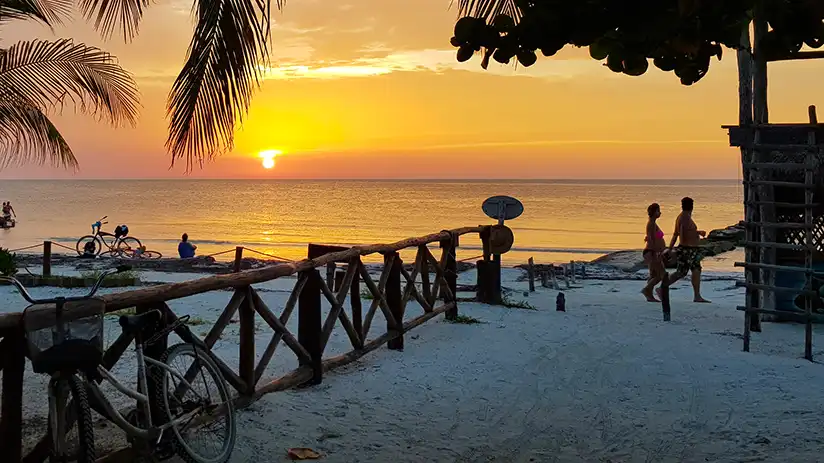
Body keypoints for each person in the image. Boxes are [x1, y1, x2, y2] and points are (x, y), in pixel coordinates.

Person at [664, 197, 710, 303]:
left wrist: (698, 233)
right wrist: (675, 250)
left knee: (691, 270)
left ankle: (697, 296)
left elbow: (678, 233)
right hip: (688, 250)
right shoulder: (684, 217)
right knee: (684, 272)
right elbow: (682, 233)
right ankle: (663, 287)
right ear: (691, 206)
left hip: (689, 249)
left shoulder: (683, 216)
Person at [642, 203, 666, 302]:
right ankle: (647, 290)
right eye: (658, 211)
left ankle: (649, 295)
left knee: (653, 275)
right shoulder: (651, 223)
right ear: (654, 212)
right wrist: (656, 252)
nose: (660, 213)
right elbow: (651, 239)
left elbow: (650, 237)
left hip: (653, 251)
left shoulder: (653, 223)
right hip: (652, 251)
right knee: (661, 274)